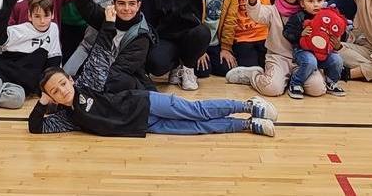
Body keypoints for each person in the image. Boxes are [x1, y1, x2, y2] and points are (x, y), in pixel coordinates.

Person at [30, 12, 279, 137]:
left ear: (70, 79)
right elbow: (35, 127)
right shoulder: (68, 119)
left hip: (146, 103)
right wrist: (43, 101)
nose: (62, 90)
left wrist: (108, 25)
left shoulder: (86, 84)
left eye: (62, 83)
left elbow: (100, 55)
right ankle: (247, 124)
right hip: (145, 126)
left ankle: (248, 105)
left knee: (197, 111)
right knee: (198, 128)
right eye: (55, 91)